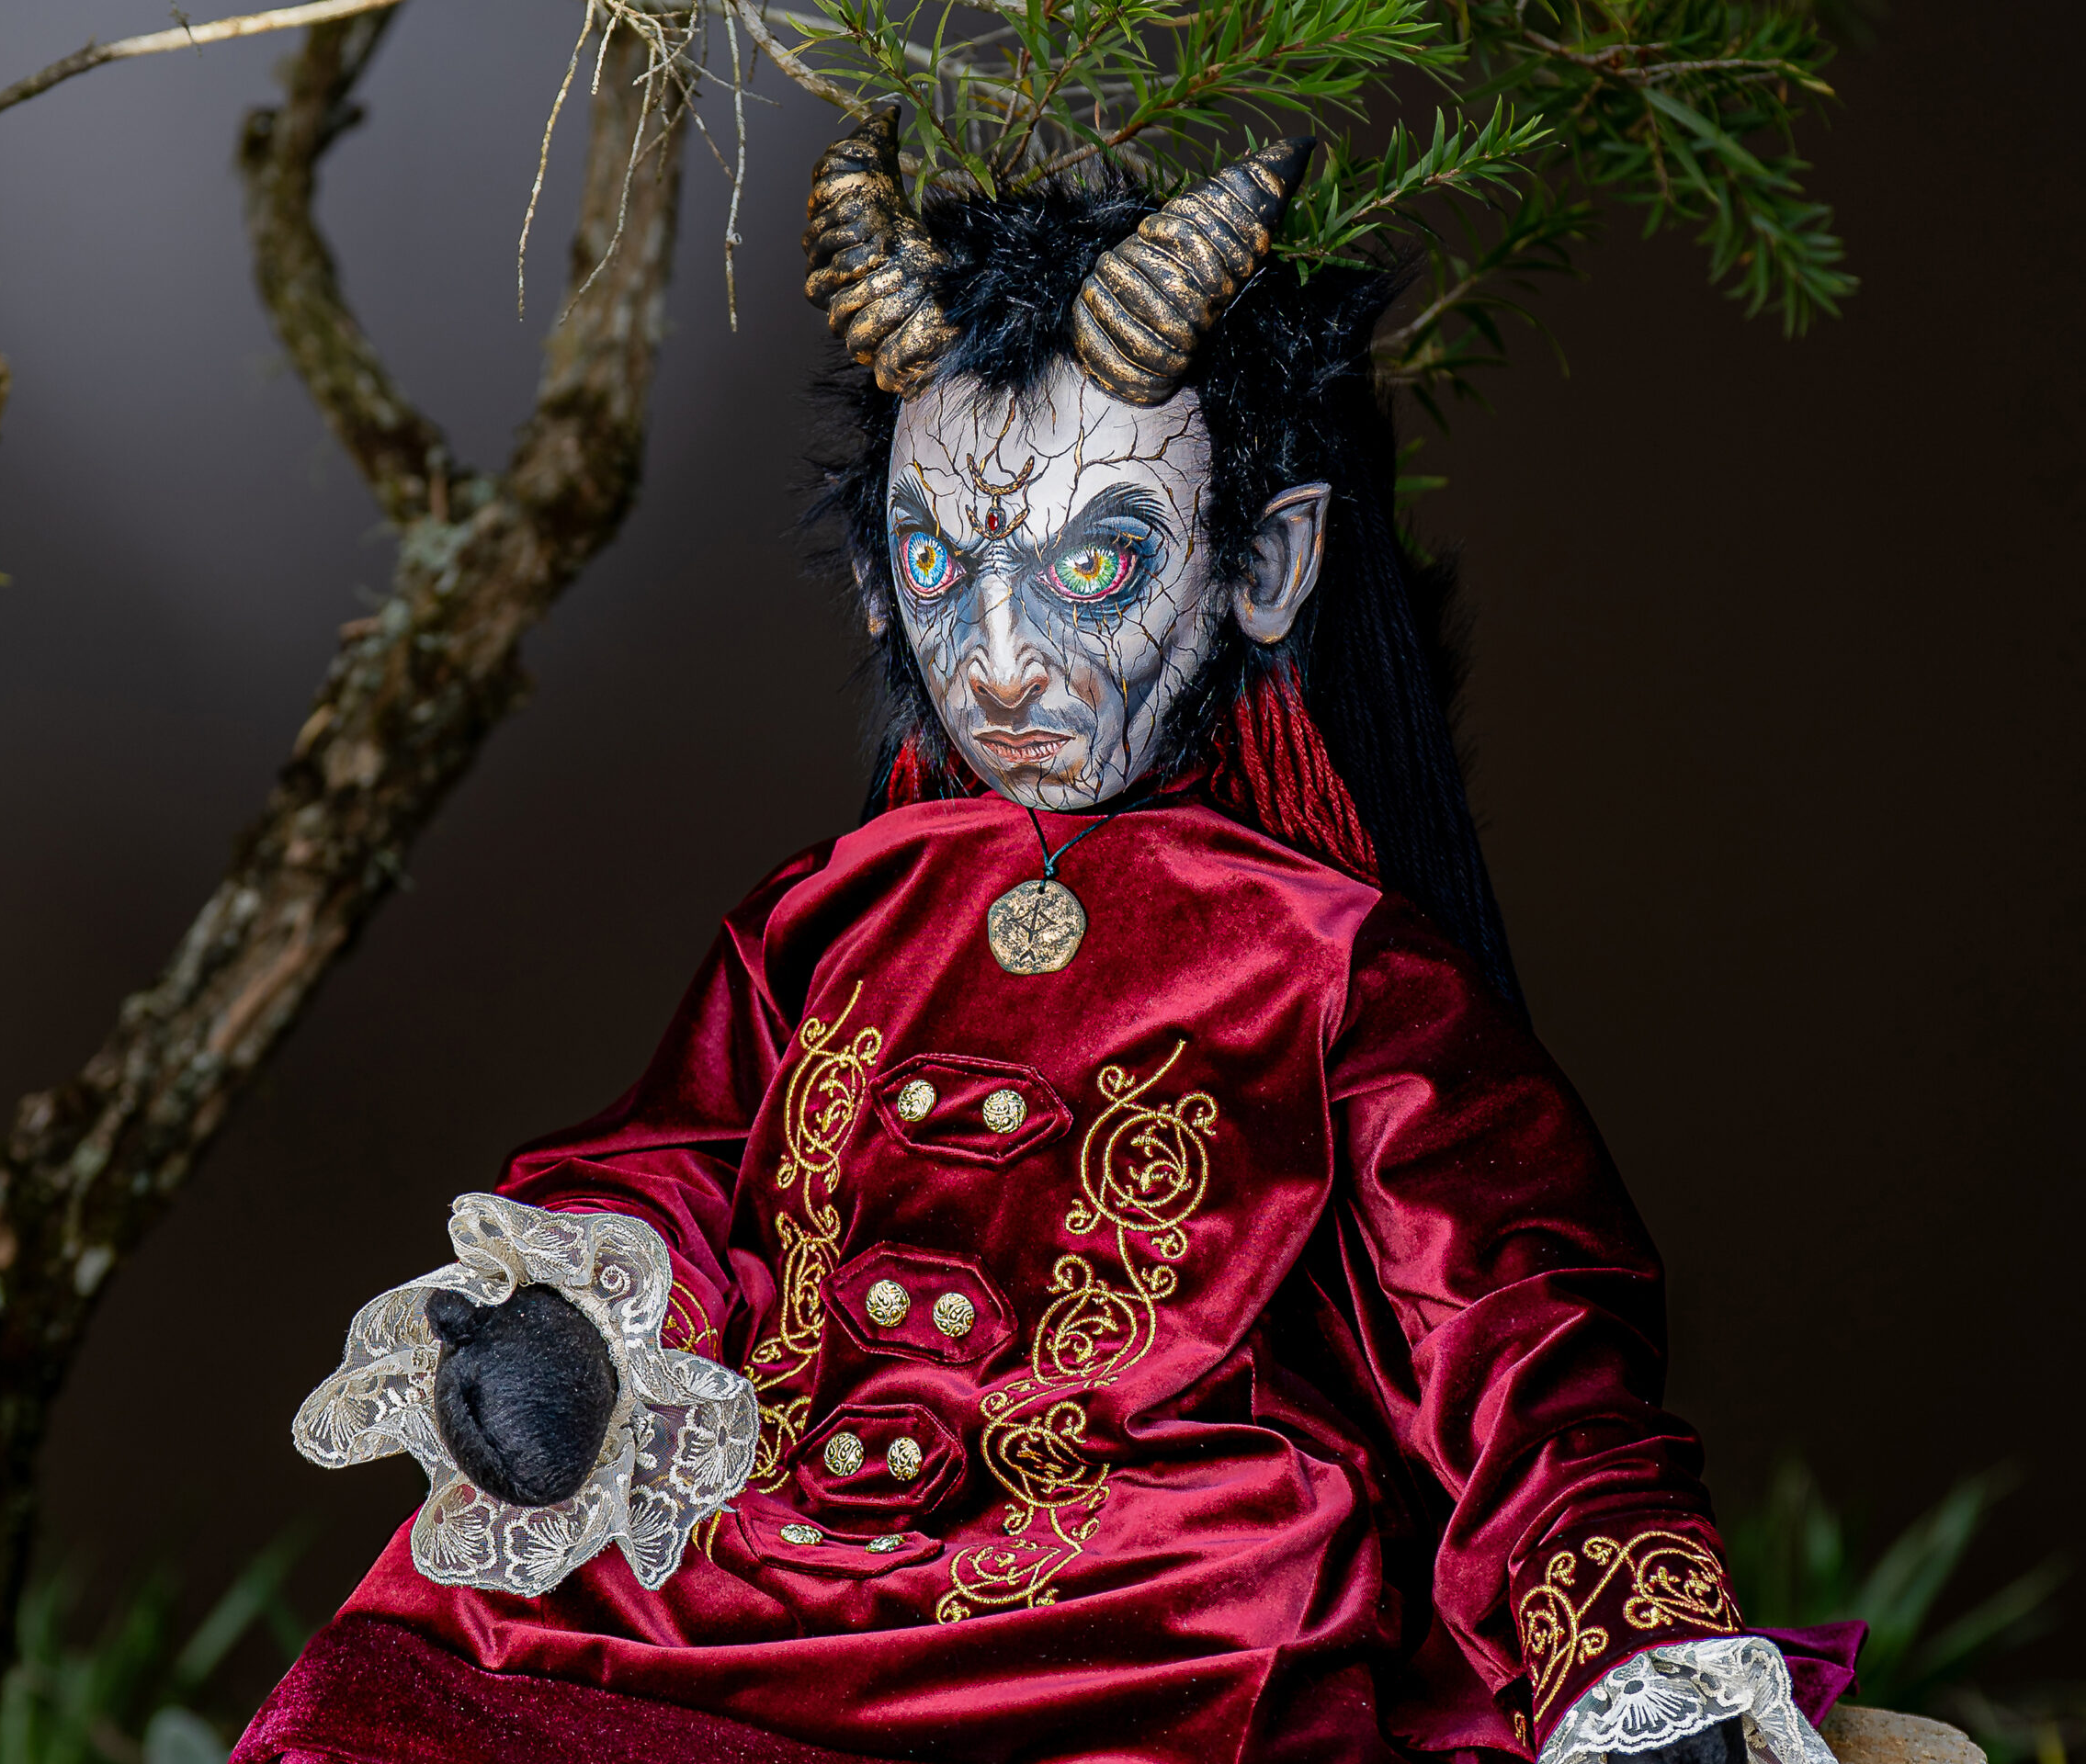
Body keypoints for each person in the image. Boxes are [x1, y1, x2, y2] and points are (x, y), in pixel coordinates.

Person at [236, 116, 1859, 1764]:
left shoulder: (1333, 962)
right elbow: (678, 1162)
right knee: (406, 1676)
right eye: (941, 562)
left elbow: (1512, 1330)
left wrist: (1633, 1649)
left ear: (1266, 563)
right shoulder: (827, 919)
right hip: (765, 1552)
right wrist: (571, 1330)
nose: (1001, 660)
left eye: (1097, 562)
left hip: (1138, 1603)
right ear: (876, 578)